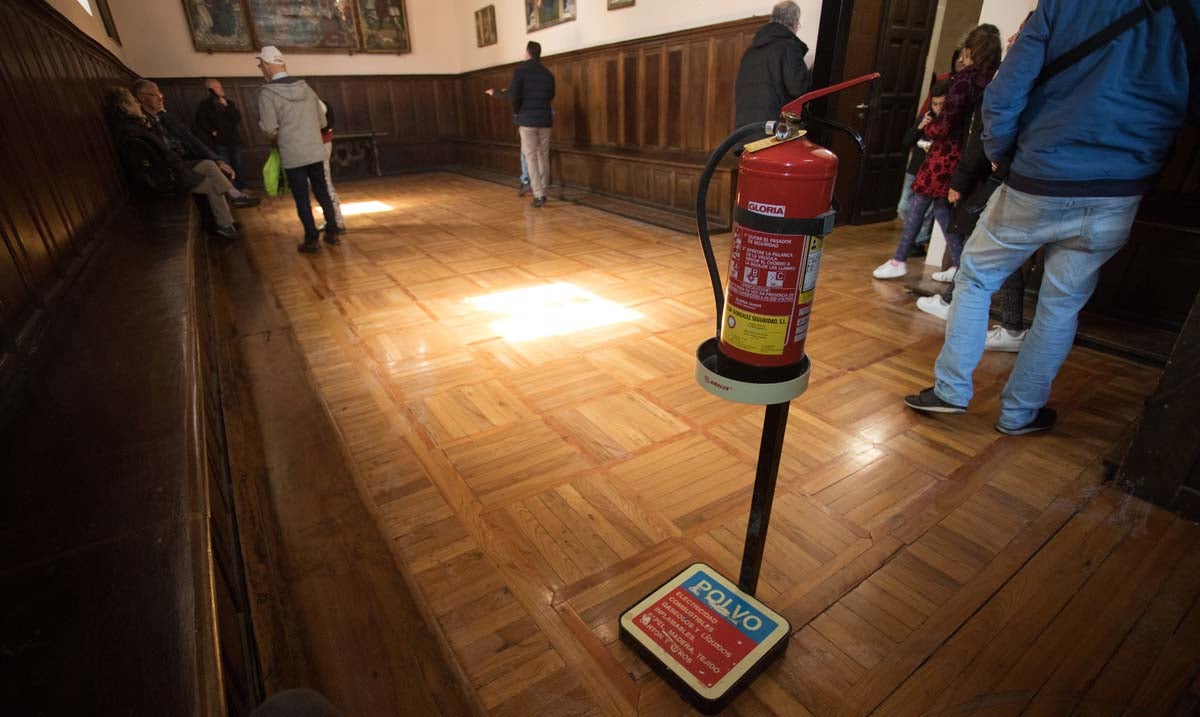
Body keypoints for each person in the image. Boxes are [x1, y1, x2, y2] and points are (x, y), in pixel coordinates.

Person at [905, 0, 1198, 435]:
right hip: (1121, 188)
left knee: (977, 276)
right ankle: (1020, 413)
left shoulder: (1066, 5)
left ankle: (950, 392)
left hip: (1041, 175)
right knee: (1061, 305)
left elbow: (1003, 95)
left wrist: (1003, 159)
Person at [916, 22, 1031, 355]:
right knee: (989, 248)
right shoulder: (1003, 76)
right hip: (1004, 173)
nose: (1012, 38)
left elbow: (980, 135)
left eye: (1021, 32)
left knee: (983, 247)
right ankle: (996, 319)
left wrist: (962, 178)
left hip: (1001, 175)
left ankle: (993, 321)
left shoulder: (996, 80)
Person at [873, 24, 1001, 280]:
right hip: (963, 155)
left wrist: (930, 128)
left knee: (920, 203)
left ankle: (900, 260)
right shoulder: (991, 80)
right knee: (942, 210)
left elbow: (948, 122)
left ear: (970, 50)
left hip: (946, 155)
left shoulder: (965, 80)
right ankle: (954, 264)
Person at [107, 87, 241, 238]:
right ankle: (224, 224)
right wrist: (177, 167)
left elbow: (182, 138)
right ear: (125, 106)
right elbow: (154, 162)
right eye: (133, 101)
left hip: (175, 166)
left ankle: (233, 194)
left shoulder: (142, 124)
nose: (137, 104)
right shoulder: (132, 131)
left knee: (209, 164)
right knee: (212, 185)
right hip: (168, 175)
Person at [255, 45, 342, 253]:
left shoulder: (268, 94)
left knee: (302, 197)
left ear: (267, 66)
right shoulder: (306, 88)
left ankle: (312, 239)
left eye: (261, 65)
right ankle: (332, 231)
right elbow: (322, 120)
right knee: (321, 191)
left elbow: (268, 128)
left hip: (293, 153)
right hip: (314, 149)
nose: (261, 69)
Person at [897, 47, 966, 257]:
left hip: (937, 176)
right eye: (934, 104)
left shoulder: (951, 124)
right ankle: (903, 255)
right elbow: (907, 141)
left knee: (932, 212)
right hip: (918, 168)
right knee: (906, 207)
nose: (937, 108)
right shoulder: (927, 118)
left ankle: (911, 250)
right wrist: (921, 127)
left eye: (940, 104)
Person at [497, 41, 555, 208]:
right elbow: (551, 95)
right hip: (545, 120)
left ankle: (538, 195)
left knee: (530, 158)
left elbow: (514, 95)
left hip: (527, 120)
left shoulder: (520, 71)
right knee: (543, 156)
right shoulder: (548, 74)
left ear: (527, 53)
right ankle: (544, 191)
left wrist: (517, 112)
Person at [734, 1, 811, 127]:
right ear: (794, 22)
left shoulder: (750, 52)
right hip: (774, 129)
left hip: (745, 130)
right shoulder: (788, 47)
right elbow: (799, 88)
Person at [194, 78, 249, 191]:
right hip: (219, 142)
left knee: (237, 165)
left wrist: (227, 106)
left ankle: (241, 188)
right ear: (211, 89)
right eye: (218, 87)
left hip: (234, 139)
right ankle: (231, 191)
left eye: (220, 86)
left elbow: (237, 117)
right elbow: (200, 121)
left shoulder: (228, 102)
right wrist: (212, 131)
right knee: (226, 167)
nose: (221, 89)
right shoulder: (205, 105)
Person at [483, 87, 532, 196]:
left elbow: (510, 94)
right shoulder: (538, 85)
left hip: (527, 124)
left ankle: (526, 181)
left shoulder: (522, 86)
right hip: (542, 123)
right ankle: (536, 184)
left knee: (525, 155)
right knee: (535, 155)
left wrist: (496, 93)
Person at [317, 100, 345, 232]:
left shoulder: (318, 103)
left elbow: (326, 125)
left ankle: (337, 222)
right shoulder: (318, 102)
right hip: (318, 144)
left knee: (325, 183)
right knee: (322, 184)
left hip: (320, 144)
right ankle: (333, 221)